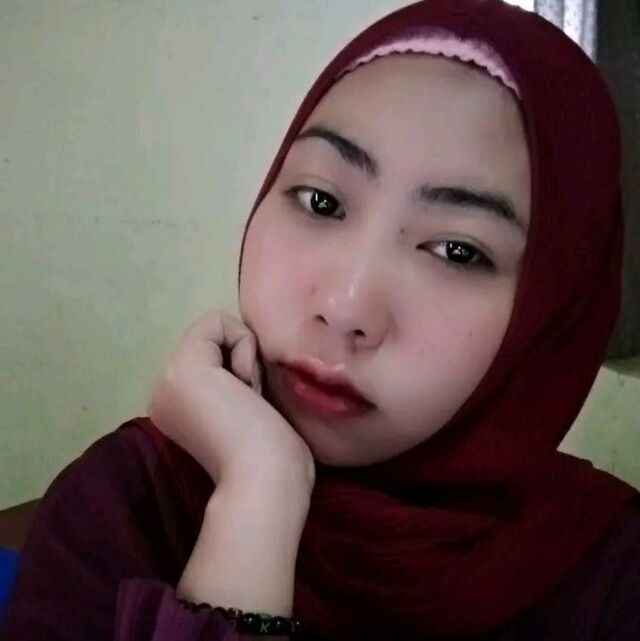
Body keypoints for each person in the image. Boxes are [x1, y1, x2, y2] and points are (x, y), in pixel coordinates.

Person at [2, 0, 639, 639]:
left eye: (457, 251)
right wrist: (259, 492)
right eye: (321, 201)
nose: (343, 308)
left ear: (551, 310)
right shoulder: (122, 508)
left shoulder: (612, 576)